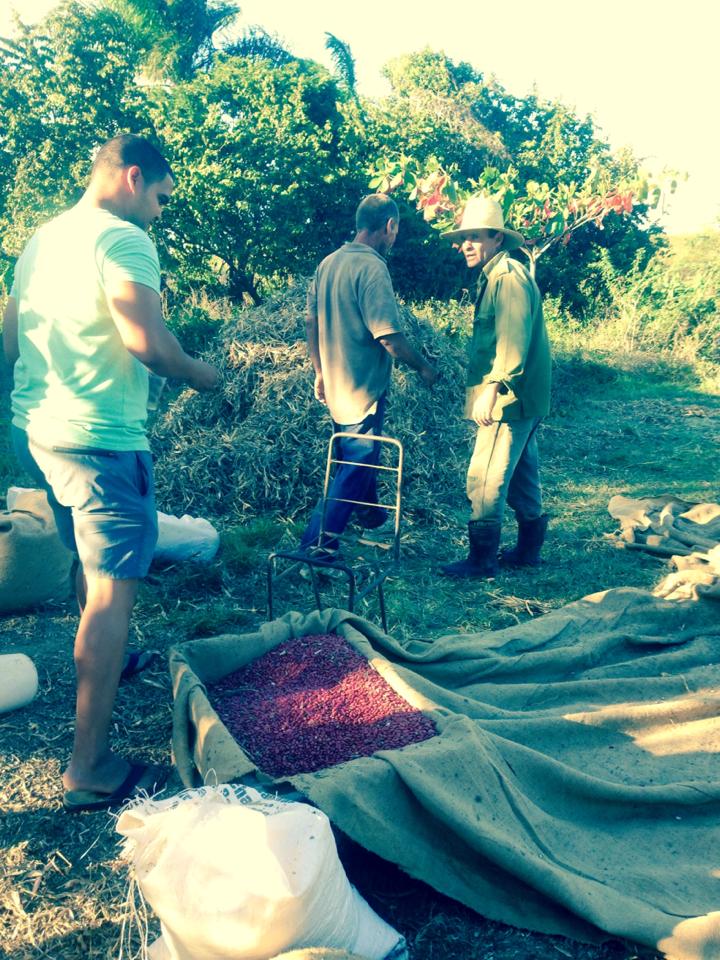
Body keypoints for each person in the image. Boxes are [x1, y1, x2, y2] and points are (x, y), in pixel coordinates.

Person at [2, 133, 220, 810]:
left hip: (41, 433)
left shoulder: (42, 240)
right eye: (159, 197)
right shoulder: (124, 240)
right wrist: (201, 373)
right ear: (132, 179)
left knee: (82, 563)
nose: (159, 212)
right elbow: (148, 344)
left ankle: (111, 666)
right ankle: (89, 768)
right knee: (111, 590)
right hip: (100, 439)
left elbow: (9, 342)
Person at [300, 193, 438, 556]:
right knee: (355, 467)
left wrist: (319, 371)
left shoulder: (328, 263)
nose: (395, 238)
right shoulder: (373, 267)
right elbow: (389, 337)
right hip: (362, 388)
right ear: (389, 226)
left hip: (336, 384)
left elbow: (311, 322)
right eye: (396, 230)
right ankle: (315, 546)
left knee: (356, 459)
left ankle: (372, 519)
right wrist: (424, 366)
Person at [439, 196, 551, 579]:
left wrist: (494, 387)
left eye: (474, 237)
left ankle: (482, 561)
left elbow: (513, 340)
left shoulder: (506, 277)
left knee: (484, 477)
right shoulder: (500, 274)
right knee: (522, 474)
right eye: (462, 238)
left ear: (496, 238)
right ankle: (527, 551)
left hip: (509, 398)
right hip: (526, 398)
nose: (465, 245)